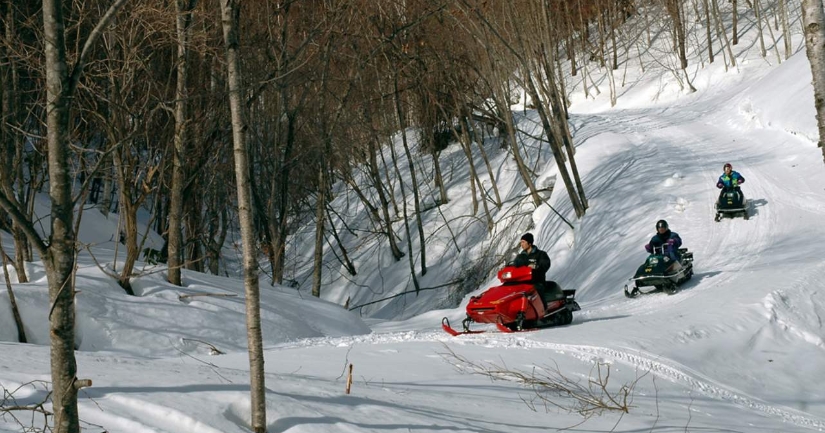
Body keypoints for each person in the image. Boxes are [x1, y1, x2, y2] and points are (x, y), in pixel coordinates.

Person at [515, 232, 553, 301]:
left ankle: (543, 310)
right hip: (522, 283)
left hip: (536, 282)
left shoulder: (541, 254)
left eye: (523, 242)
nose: (521, 244)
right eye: (521, 242)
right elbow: (514, 266)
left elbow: (545, 264)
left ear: (529, 243)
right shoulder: (520, 257)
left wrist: (536, 266)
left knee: (538, 289)